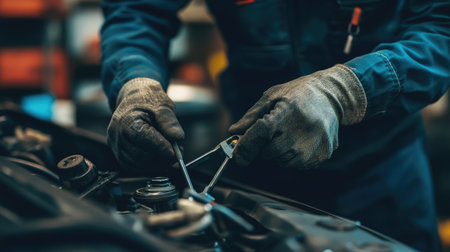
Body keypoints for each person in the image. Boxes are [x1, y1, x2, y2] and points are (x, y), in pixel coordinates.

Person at [101, 0, 449, 251]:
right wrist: (134, 81)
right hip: (255, 172)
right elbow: (138, 10)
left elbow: (441, 28)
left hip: (381, 178)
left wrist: (349, 91)